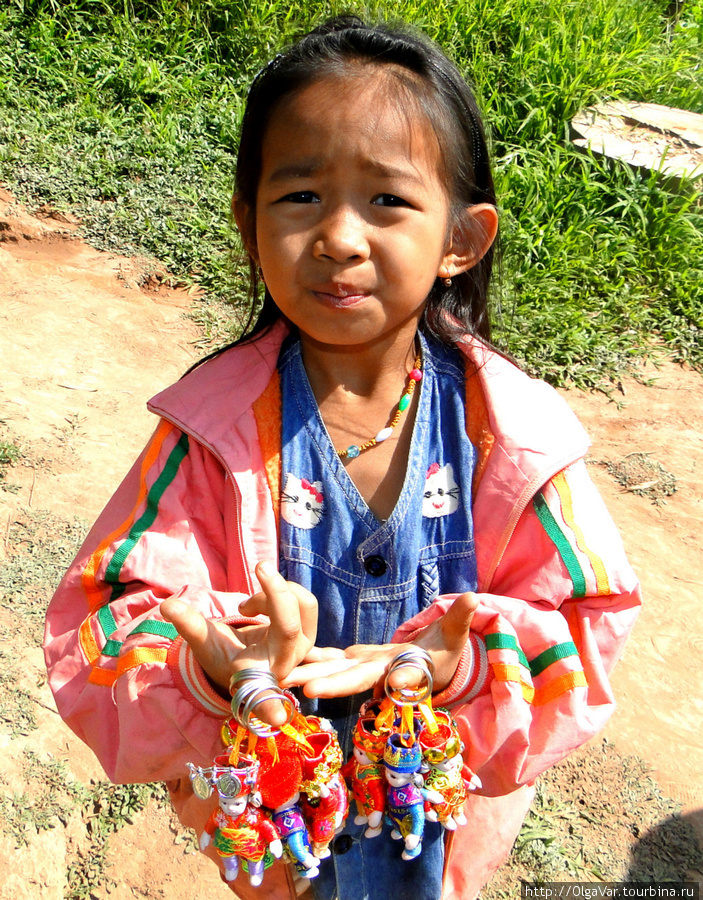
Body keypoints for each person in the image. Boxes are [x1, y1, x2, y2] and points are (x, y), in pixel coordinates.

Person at [43, 16, 641, 900]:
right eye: (300, 197)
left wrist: (455, 664)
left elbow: (586, 638)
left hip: (443, 824)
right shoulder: (209, 433)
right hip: (273, 834)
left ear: (460, 240)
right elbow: (101, 625)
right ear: (249, 223)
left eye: (387, 200)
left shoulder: (513, 438)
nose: (339, 238)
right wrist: (214, 663)